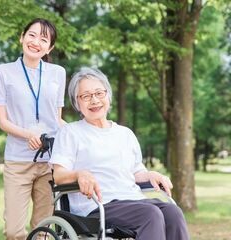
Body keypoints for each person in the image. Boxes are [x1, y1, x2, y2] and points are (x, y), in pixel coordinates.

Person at [50, 67, 190, 240]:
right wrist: (79, 174)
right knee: (150, 214)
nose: (94, 100)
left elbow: (135, 172)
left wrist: (151, 174)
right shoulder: (70, 133)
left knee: (172, 212)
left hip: (133, 200)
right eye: (86, 96)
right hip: (97, 205)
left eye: (99, 93)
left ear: (108, 95)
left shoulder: (125, 134)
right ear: (77, 103)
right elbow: (59, 175)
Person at [0, 18, 66, 240]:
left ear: (50, 47)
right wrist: (29, 135)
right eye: (32, 35)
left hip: (49, 161)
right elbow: (3, 122)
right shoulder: (2, 72)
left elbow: (57, 119)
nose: (36, 42)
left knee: (42, 230)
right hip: (17, 161)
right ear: (22, 37)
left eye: (44, 39)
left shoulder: (58, 72)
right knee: (14, 231)